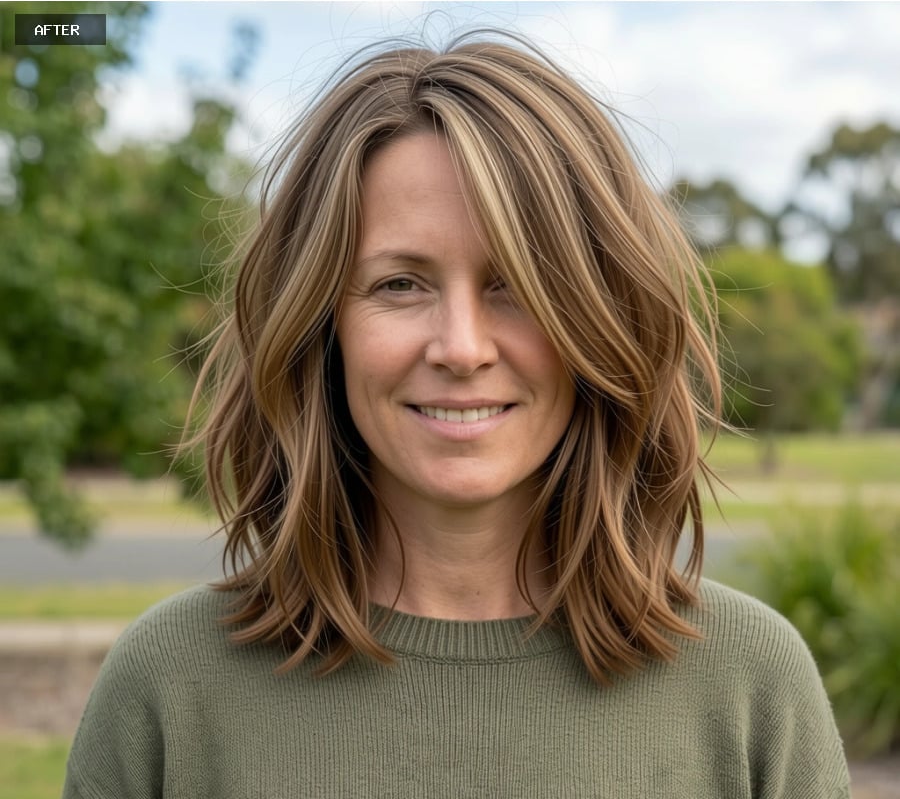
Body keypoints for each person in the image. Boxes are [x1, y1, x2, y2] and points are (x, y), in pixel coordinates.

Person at [62, 39, 851, 798]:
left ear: (601, 319)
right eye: (401, 284)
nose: (462, 348)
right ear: (318, 324)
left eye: (517, 284)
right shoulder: (167, 688)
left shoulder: (751, 686)